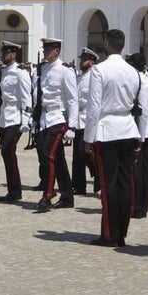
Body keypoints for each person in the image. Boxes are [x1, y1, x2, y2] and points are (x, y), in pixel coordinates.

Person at [84, 28, 142, 247]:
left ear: (107, 43)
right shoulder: (133, 71)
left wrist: (88, 138)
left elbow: (93, 107)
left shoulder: (99, 70)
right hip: (127, 127)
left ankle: (109, 233)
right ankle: (121, 233)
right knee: (125, 183)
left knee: (108, 184)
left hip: (107, 129)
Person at [34, 38, 78, 212]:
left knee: (48, 155)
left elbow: (73, 100)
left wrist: (72, 126)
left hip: (58, 118)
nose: (45, 51)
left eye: (48, 49)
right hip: (45, 118)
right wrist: (35, 117)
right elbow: (40, 96)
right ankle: (67, 197)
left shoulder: (65, 71)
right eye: (44, 48)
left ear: (57, 51)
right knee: (57, 158)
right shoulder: (43, 69)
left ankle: (48, 195)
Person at [0, 41, 32, 202]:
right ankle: (13, 190)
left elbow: (26, 97)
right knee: (6, 153)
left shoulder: (20, 73)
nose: (3, 55)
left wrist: (26, 119)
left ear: (13, 54)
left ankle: (15, 190)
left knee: (8, 150)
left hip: (16, 117)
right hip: (4, 117)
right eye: (2, 53)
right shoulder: (2, 72)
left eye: (6, 53)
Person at [128, 52, 148, 219]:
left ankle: (134, 205)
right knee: (145, 170)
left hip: (132, 129)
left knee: (133, 170)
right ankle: (143, 206)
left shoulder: (132, 81)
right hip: (147, 130)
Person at [71, 48, 99, 196]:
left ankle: (98, 175)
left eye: (84, 59)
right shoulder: (78, 78)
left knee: (86, 152)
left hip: (89, 119)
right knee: (77, 155)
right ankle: (78, 185)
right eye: (81, 59)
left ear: (92, 62)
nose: (81, 61)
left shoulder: (95, 78)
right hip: (78, 120)